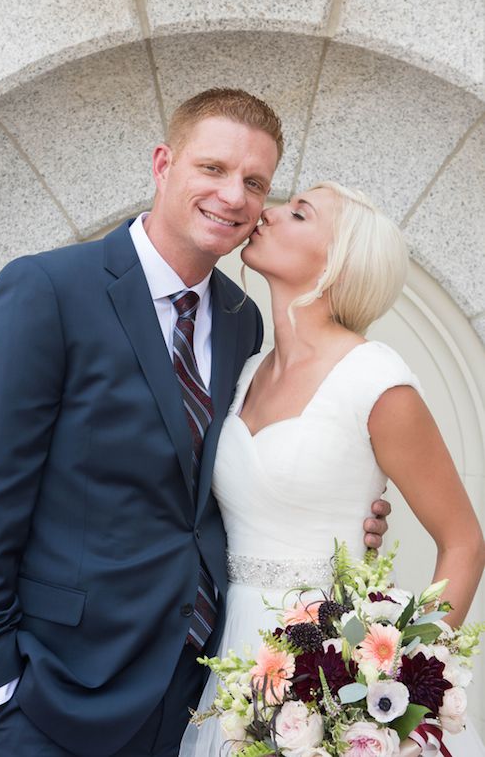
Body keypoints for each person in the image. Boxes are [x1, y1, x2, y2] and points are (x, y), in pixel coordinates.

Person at [0, 91, 389, 757]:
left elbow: (222, 478)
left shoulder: (243, 320)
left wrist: (344, 511)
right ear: (163, 164)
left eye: (254, 182)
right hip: (55, 689)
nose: (234, 195)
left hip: (198, 688)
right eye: (213, 169)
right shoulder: (47, 291)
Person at [179, 181, 485, 757]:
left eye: (298, 213)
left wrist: (400, 675)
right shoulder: (244, 371)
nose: (266, 212)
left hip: (333, 665)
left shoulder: (376, 379)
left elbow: (464, 540)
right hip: (237, 659)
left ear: (338, 264)